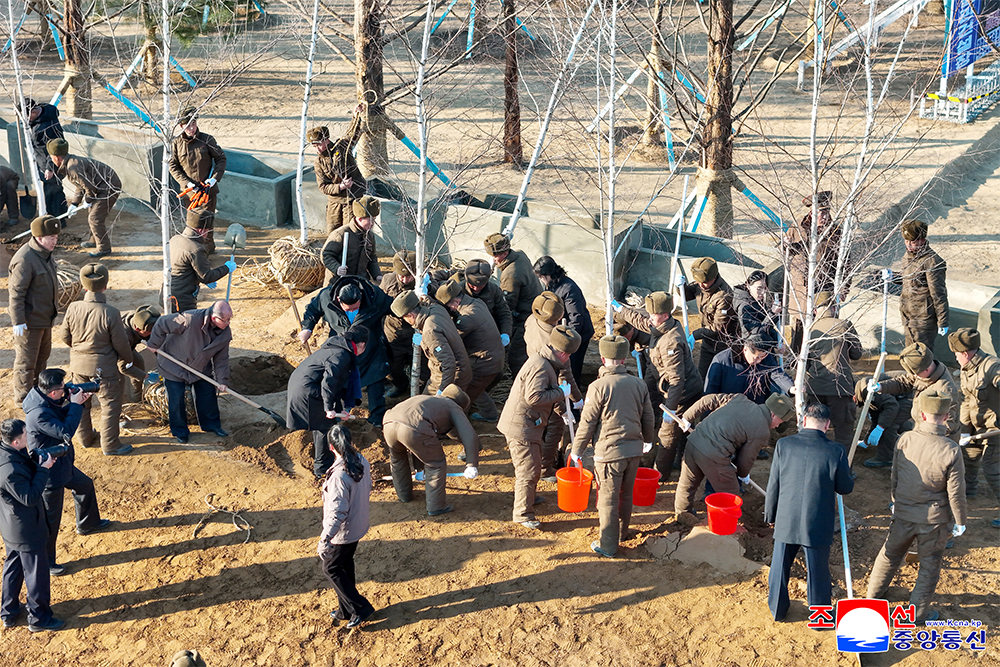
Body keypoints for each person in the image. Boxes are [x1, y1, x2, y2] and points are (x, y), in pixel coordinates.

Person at [865, 390, 966, 623]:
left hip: (903, 513)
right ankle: (917, 614)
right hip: (934, 521)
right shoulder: (951, 449)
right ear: (946, 416)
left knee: (889, 555)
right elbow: (956, 493)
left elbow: (895, 475)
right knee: (929, 566)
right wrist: (960, 521)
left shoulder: (905, 439)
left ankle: (873, 597)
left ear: (921, 414)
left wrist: (895, 501)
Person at [765, 403, 855, 622]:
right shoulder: (835, 451)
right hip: (817, 521)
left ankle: (777, 609)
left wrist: (770, 515)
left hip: (786, 517)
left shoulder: (784, 445)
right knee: (817, 571)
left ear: (804, 420)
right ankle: (819, 617)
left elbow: (774, 483)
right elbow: (845, 488)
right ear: (827, 424)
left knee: (780, 567)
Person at [570, 335, 655, 558]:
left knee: (608, 499)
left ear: (602, 358)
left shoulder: (598, 386)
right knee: (626, 494)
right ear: (624, 358)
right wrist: (647, 440)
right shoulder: (639, 384)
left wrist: (577, 450)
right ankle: (622, 533)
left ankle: (608, 545)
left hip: (609, 454)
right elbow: (648, 416)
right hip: (633, 451)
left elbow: (587, 422)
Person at [23, 369, 113, 577]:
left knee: (85, 485)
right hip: (49, 474)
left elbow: (58, 418)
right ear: (53, 392)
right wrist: (75, 405)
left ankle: (88, 523)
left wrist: (75, 403)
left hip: (62, 464)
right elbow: (65, 432)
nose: (66, 390)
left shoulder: (43, 399)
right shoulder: (38, 414)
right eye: (62, 388)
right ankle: (46, 563)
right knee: (50, 520)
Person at [613, 291, 702, 481]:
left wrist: (670, 410)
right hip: (667, 385)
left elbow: (677, 380)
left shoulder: (671, 343)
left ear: (666, 315)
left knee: (668, 434)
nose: (650, 317)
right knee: (679, 431)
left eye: (654, 314)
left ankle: (660, 475)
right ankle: (679, 459)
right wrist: (621, 310)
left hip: (684, 393)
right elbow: (639, 320)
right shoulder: (658, 325)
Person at [499, 325, 581, 529]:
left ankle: (530, 496)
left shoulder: (545, 361)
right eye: (569, 356)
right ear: (563, 354)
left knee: (533, 465)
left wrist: (564, 411)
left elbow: (549, 390)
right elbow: (535, 397)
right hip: (521, 427)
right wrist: (562, 393)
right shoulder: (541, 367)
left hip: (529, 424)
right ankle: (522, 513)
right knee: (528, 469)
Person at [673, 392, 795, 520]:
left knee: (688, 484)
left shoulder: (739, 399)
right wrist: (743, 474)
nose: (777, 426)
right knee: (731, 494)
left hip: (694, 441)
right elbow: (746, 458)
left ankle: (682, 514)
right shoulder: (762, 431)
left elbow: (708, 400)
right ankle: (732, 523)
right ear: (773, 414)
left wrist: (687, 417)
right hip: (715, 456)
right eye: (780, 421)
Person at [58, 264, 134, 456]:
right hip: (104, 370)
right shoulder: (111, 312)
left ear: (83, 286)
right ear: (105, 286)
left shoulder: (73, 307)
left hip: (78, 367)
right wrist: (128, 359)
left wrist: (79, 350)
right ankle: (110, 445)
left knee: (80, 403)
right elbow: (121, 343)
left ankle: (85, 438)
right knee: (110, 406)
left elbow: (64, 336)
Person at [300, 277, 391, 427]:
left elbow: (393, 306)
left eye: (356, 307)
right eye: (348, 309)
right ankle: (338, 412)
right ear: (338, 300)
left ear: (360, 298)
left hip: (369, 347)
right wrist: (307, 328)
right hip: (341, 347)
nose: (352, 311)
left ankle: (376, 418)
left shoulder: (374, 296)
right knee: (338, 378)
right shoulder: (325, 297)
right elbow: (312, 310)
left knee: (375, 379)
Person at [0, 418, 62, 632]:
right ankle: (38, 618)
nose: (29, 435)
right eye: (26, 433)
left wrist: (34, 462)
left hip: (11, 527)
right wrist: (44, 469)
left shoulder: (6, 452)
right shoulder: (10, 471)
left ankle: (8, 612)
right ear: (15, 442)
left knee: (13, 568)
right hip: (26, 530)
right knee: (37, 574)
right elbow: (30, 497)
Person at [384, 384, 481, 516]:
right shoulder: (453, 406)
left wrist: (419, 468)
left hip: (389, 423)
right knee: (436, 463)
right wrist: (471, 464)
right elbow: (468, 434)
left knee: (397, 459)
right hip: (414, 429)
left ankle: (404, 495)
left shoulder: (428, 400)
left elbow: (418, 442)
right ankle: (436, 506)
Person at [286, 327, 368, 478]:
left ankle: (323, 464)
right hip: (307, 390)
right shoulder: (341, 355)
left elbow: (336, 385)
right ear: (362, 345)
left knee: (324, 424)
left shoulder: (337, 347)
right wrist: (329, 408)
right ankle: (322, 469)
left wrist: (340, 409)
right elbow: (329, 383)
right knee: (325, 427)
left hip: (305, 385)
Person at [146, 301, 233, 444]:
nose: (228, 323)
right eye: (225, 320)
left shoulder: (224, 334)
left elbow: (221, 359)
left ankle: (211, 425)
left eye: (230, 319)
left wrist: (222, 380)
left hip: (200, 368)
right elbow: (162, 323)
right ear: (214, 318)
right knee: (176, 399)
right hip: (174, 366)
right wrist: (154, 343)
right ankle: (180, 431)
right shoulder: (190, 319)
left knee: (207, 395)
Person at [317, 424, 375, 629]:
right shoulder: (361, 461)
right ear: (350, 441)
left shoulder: (338, 477)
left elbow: (337, 513)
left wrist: (325, 538)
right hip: (358, 525)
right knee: (344, 565)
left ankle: (360, 608)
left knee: (331, 568)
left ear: (331, 447)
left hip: (342, 533)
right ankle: (345, 610)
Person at [523, 291, 581, 479]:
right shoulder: (554, 340)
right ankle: (546, 467)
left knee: (540, 424)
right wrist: (575, 400)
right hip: (549, 384)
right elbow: (564, 374)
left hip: (531, 376)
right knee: (555, 426)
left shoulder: (531, 320)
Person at [868, 341, 961, 448]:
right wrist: (881, 387)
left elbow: (945, 426)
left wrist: (920, 440)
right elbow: (904, 382)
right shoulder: (927, 371)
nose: (914, 376)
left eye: (916, 374)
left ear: (926, 370)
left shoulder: (945, 390)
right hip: (922, 428)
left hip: (938, 442)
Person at [948, 328, 1000, 517]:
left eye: (956, 355)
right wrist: (964, 430)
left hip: (995, 428)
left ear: (965, 354)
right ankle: (968, 490)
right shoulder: (967, 369)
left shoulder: (992, 366)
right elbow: (967, 400)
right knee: (968, 457)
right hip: (977, 426)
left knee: (992, 469)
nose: (955, 359)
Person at [9, 215, 60, 403]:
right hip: (29, 323)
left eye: (56, 237)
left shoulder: (45, 254)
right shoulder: (25, 259)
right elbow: (16, 293)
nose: (55, 241)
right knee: (26, 362)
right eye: (51, 237)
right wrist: (18, 321)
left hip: (45, 319)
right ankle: (23, 399)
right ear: (39, 237)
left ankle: (38, 394)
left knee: (42, 359)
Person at [436, 281, 504, 419]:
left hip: (485, 362)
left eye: (449, 306)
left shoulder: (468, 317)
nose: (450, 309)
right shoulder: (476, 303)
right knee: (477, 386)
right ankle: (487, 410)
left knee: (467, 388)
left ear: (456, 302)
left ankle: (487, 414)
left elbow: (453, 337)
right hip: (494, 357)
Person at [45, 138, 122, 259]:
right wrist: (74, 204)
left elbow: (89, 187)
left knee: (95, 218)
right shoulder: (70, 162)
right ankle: (94, 240)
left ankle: (104, 247)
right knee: (92, 213)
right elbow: (80, 186)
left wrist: (87, 200)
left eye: (51, 157)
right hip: (101, 186)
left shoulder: (73, 167)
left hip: (109, 186)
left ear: (56, 158)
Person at [804, 291, 862, 446]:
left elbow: (803, 361)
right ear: (834, 308)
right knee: (843, 432)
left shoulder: (809, 328)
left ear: (815, 310)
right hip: (840, 388)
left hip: (815, 387)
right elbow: (857, 354)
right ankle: (843, 461)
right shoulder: (845, 325)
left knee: (814, 430)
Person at [169, 106, 226, 254]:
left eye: (193, 124)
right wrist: (187, 184)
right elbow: (173, 166)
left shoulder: (207, 140)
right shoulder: (176, 143)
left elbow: (221, 159)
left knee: (206, 224)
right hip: (189, 194)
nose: (191, 128)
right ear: (181, 126)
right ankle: (195, 251)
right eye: (188, 125)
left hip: (207, 192)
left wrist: (213, 179)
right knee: (192, 224)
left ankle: (207, 251)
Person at [390, 291, 471, 394]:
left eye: (405, 318)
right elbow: (430, 303)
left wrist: (442, 390)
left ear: (411, 316)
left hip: (449, 377)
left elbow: (448, 363)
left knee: (431, 403)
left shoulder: (430, 331)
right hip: (454, 371)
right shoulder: (436, 309)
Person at [484, 233, 542, 376]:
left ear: (505, 253)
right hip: (536, 308)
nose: (494, 259)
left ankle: (523, 382)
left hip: (525, 317)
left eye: (495, 256)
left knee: (517, 357)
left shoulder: (510, 275)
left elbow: (507, 306)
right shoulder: (520, 255)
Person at [533, 256, 595, 386]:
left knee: (573, 367)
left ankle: (574, 393)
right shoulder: (552, 286)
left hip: (578, 335)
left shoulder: (569, 289)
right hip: (564, 330)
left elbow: (576, 318)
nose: (540, 280)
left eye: (541, 277)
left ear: (548, 274)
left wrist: (566, 342)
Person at [679, 257, 738, 379]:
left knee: (719, 379)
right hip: (707, 343)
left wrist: (696, 334)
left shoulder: (724, 297)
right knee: (702, 376)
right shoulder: (701, 285)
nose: (701, 285)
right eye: (699, 282)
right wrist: (681, 286)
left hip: (723, 346)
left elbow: (718, 327)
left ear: (714, 277)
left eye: (704, 282)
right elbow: (688, 294)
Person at [307, 113, 366, 234]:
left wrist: (356, 115)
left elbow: (353, 133)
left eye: (319, 144)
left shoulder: (342, 147)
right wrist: (340, 187)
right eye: (314, 146)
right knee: (333, 233)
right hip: (334, 202)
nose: (317, 148)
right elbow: (323, 187)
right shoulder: (319, 162)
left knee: (350, 232)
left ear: (326, 140)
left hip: (352, 199)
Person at [168, 216, 236, 313]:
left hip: (167, 293)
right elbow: (206, 277)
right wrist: (226, 268)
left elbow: (183, 266)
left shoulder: (174, 239)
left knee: (168, 320)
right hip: (182, 301)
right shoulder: (196, 249)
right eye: (207, 231)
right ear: (201, 230)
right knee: (185, 322)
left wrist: (200, 275)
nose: (207, 234)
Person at [898, 219, 948, 350]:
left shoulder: (932, 261)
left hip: (923, 319)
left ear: (922, 240)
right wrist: (892, 277)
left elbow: (938, 294)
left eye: (912, 241)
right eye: (906, 241)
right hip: (908, 315)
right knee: (909, 354)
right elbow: (909, 280)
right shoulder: (908, 256)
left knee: (922, 356)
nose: (908, 245)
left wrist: (943, 321)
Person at [703, 333, 793, 405]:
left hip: (755, 409)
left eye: (762, 357)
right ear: (745, 349)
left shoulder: (767, 358)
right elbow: (710, 392)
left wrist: (791, 388)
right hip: (729, 410)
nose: (759, 361)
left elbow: (777, 374)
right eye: (756, 357)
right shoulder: (722, 360)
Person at [854, 373, 911, 469]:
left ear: (853, 396)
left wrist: (880, 427)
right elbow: (876, 417)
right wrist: (867, 440)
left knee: (889, 423)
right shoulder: (863, 392)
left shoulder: (868, 390)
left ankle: (886, 457)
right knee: (887, 419)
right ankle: (914, 435)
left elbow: (892, 406)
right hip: (903, 396)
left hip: (912, 395)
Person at [381, 250, 418, 397]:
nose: (405, 280)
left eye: (409, 276)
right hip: (393, 334)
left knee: (422, 368)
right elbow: (379, 304)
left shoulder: (423, 282)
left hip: (415, 334)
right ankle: (400, 385)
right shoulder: (388, 281)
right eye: (402, 276)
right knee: (392, 368)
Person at [321, 196, 381, 284]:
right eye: (371, 220)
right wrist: (337, 268)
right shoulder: (340, 234)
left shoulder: (370, 236)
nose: (373, 223)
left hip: (359, 281)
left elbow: (372, 258)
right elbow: (326, 255)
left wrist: (377, 275)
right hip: (338, 282)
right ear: (360, 219)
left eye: (374, 220)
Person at [24, 98, 67, 217]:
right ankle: (55, 214)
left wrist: (50, 168)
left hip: (53, 163)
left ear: (33, 112)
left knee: (53, 192)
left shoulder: (48, 127)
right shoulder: (41, 112)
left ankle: (58, 218)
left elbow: (54, 149)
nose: (26, 120)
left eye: (26, 116)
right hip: (42, 162)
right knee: (49, 191)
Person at [119, 305, 161, 400]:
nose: (153, 333)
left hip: (127, 345)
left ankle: (138, 397)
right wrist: (146, 376)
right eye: (150, 332)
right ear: (137, 329)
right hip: (104, 350)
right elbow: (124, 367)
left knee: (138, 362)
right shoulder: (123, 337)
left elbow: (155, 345)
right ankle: (129, 403)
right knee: (118, 379)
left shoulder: (141, 319)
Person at [732, 269, 780, 343]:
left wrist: (777, 342)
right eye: (759, 288)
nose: (763, 292)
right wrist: (772, 314)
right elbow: (756, 332)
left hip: (764, 343)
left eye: (765, 288)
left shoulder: (756, 299)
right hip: (754, 346)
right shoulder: (745, 306)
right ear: (748, 286)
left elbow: (765, 325)